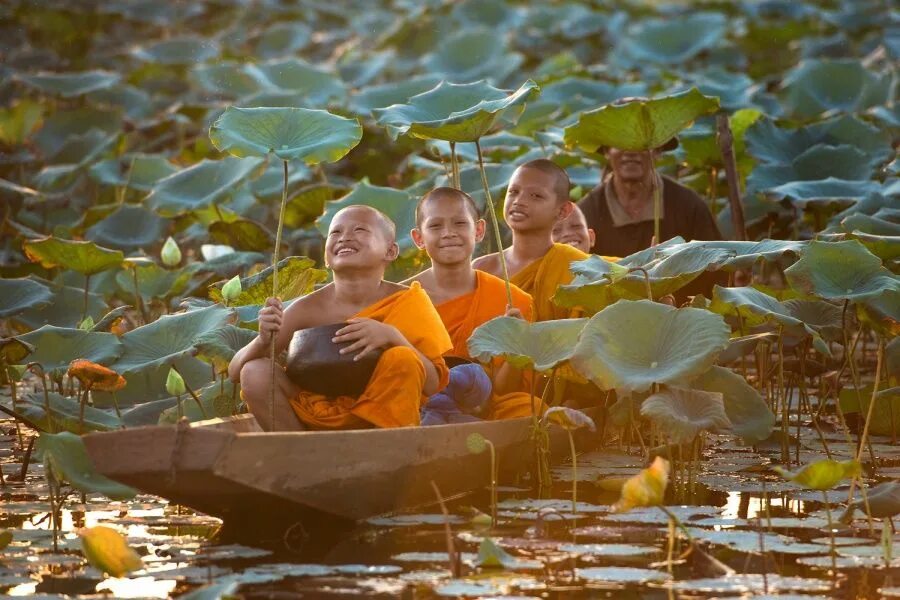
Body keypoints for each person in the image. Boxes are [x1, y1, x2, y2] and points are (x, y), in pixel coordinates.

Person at [227, 205, 452, 431]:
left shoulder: (409, 301)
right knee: (254, 371)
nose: (344, 238)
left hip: (385, 424)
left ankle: (386, 456)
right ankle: (299, 454)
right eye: (335, 232)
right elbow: (235, 371)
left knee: (403, 357)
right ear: (326, 256)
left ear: (390, 251)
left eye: (360, 230)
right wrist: (263, 340)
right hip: (316, 417)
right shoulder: (307, 308)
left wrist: (392, 336)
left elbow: (433, 384)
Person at [407, 187, 540, 421]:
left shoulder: (511, 299)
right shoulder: (402, 297)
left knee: (530, 409)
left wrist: (515, 347)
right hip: (420, 404)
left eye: (459, 223)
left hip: (485, 407)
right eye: (435, 226)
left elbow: (504, 390)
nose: (448, 233)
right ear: (419, 238)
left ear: (478, 230)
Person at [473, 159, 588, 321]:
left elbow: (587, 339)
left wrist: (525, 336)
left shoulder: (579, 271)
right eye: (513, 192)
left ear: (563, 210)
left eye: (535, 195)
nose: (519, 201)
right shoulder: (480, 269)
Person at [577, 142, 722, 258]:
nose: (630, 152)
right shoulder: (585, 213)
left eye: (641, 143)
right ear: (607, 151)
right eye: (620, 142)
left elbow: (716, 268)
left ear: (658, 151)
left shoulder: (689, 205)